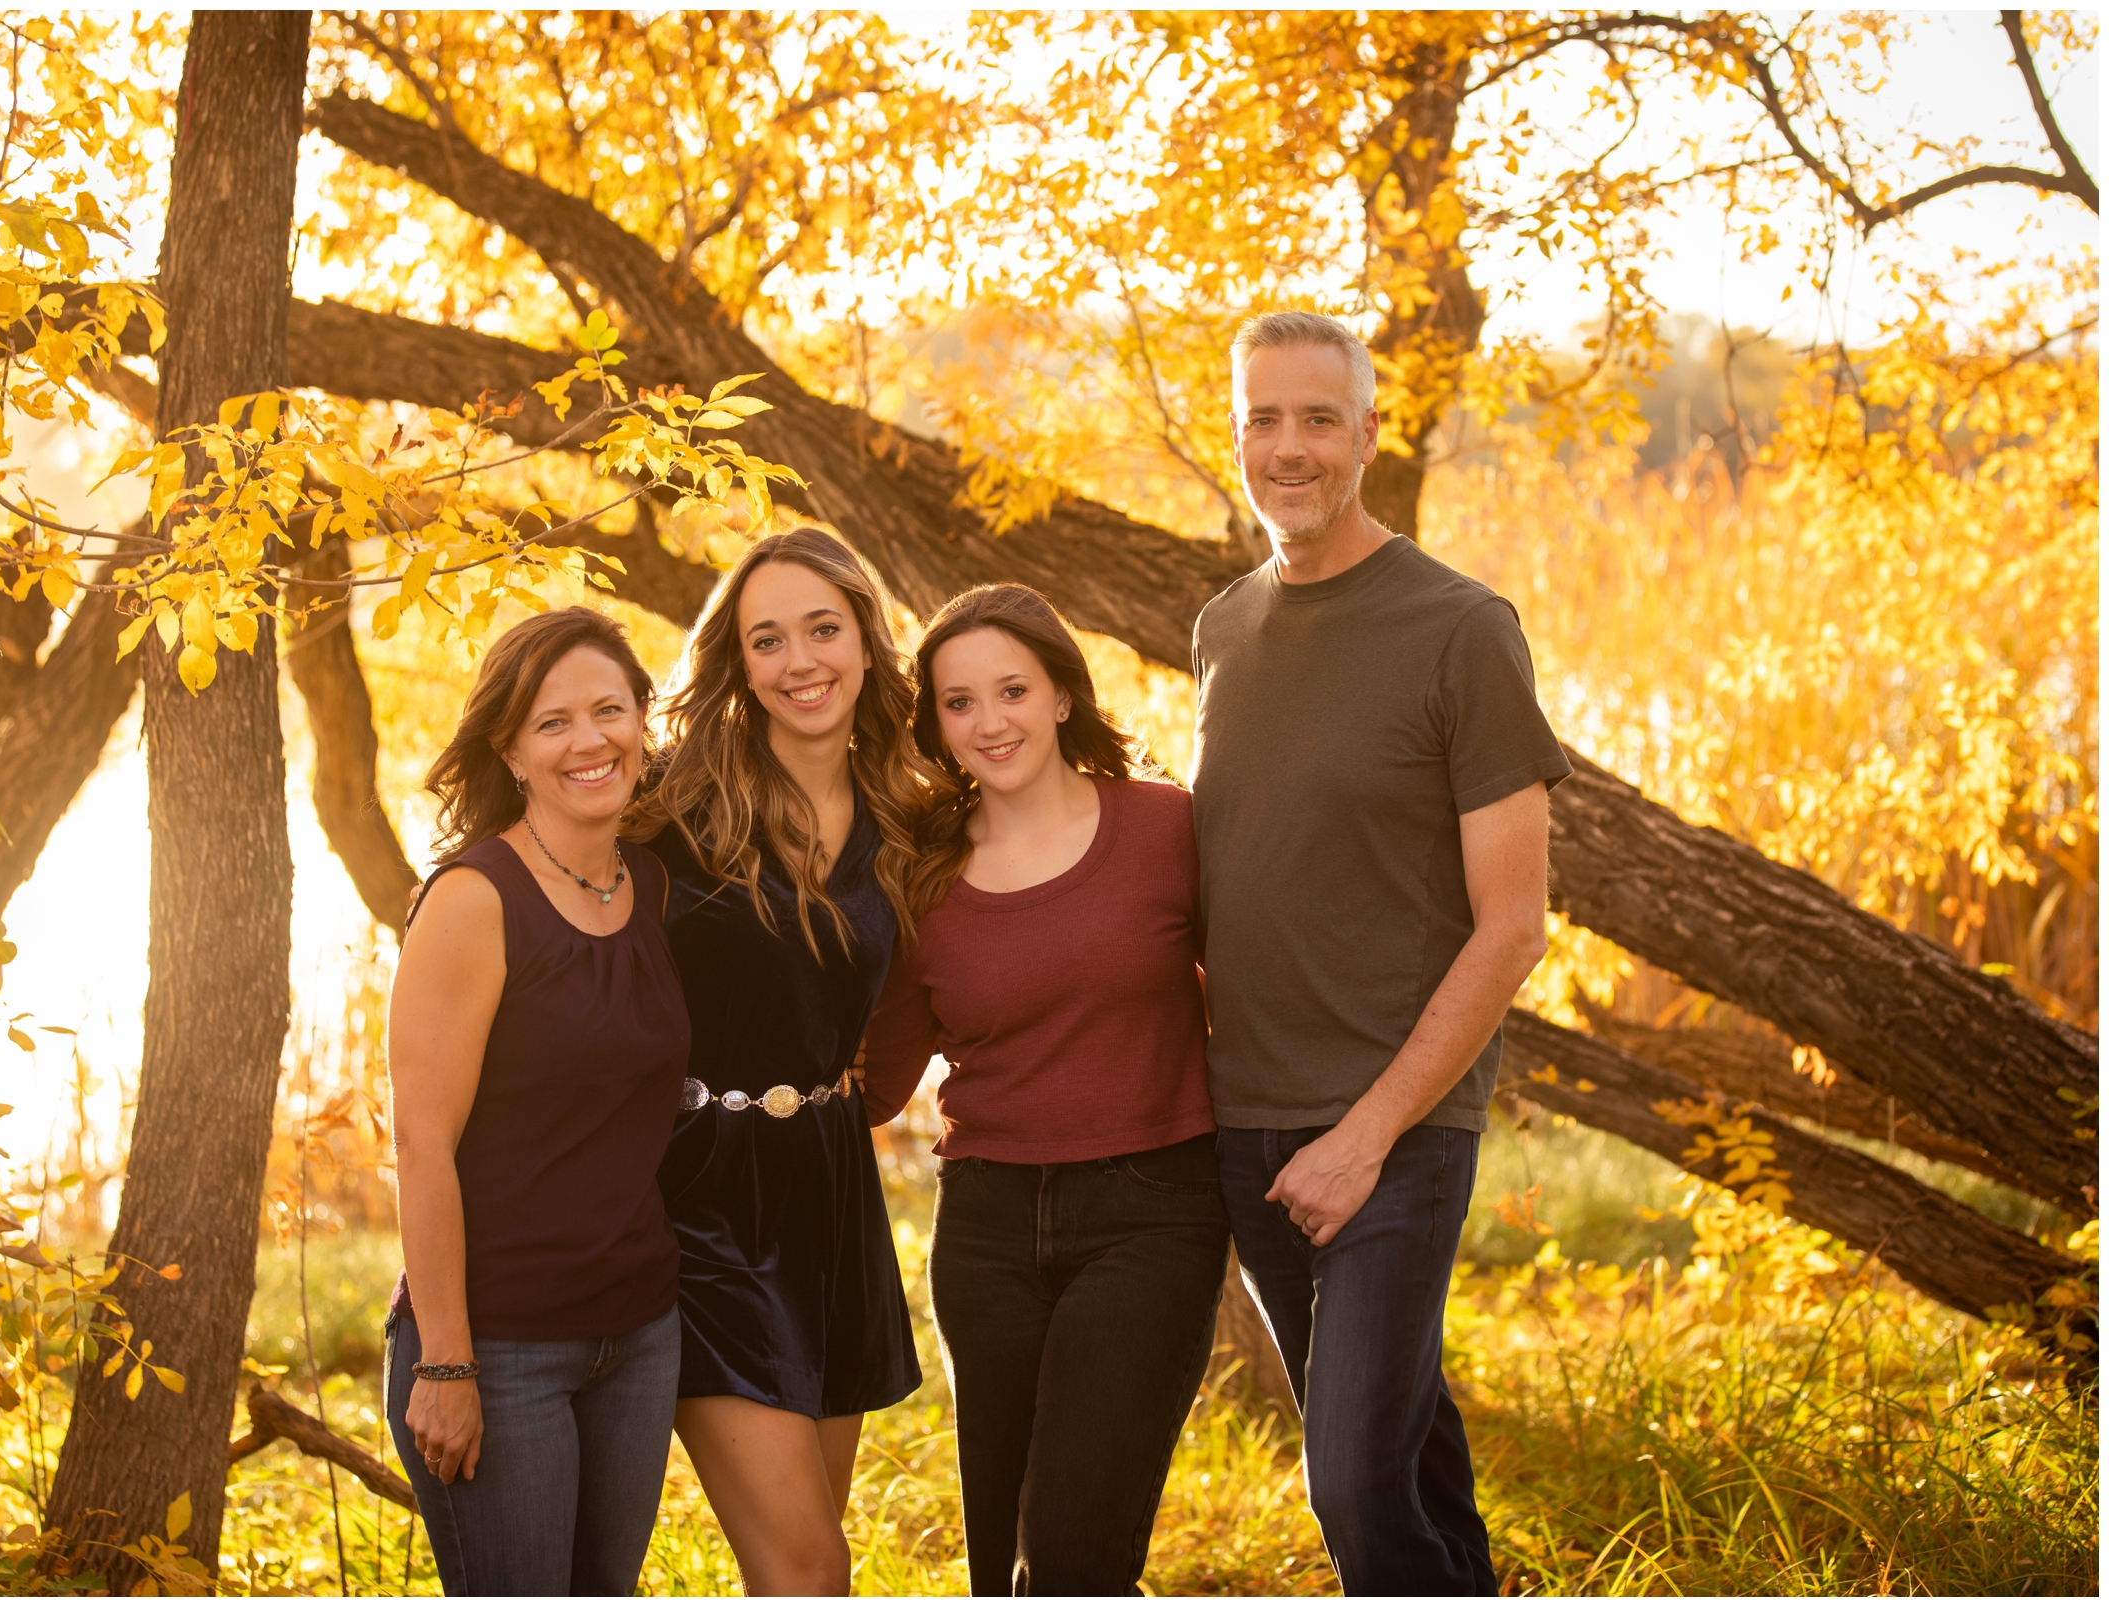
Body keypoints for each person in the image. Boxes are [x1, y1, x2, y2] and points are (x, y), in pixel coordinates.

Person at [1194, 311, 1569, 1595]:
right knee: (1400, 1444)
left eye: (1315, 418)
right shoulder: (1224, 630)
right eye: (1261, 416)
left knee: (1350, 1474)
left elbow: (1512, 925)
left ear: (1366, 432)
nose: (1286, 446)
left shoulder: (1462, 628)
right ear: (1234, 430)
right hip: (1245, 1122)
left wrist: (1366, 1135)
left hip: (1393, 1128)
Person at [861, 583, 1228, 1596]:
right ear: (934, 722)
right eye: (959, 701)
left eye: (1013, 689)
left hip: (1151, 1213)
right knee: (999, 1563)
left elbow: (1257, 994)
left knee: (1071, 1556)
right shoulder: (921, 876)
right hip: (986, 1227)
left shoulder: (1170, 829)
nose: (990, 722)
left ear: (1064, 693)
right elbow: (878, 1078)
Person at [627, 526, 926, 1595]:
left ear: (865, 639)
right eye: (768, 638)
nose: (800, 659)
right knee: (810, 1566)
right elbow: (538, 904)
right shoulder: (665, 804)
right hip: (697, 1200)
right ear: (738, 664)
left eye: (821, 628)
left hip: (833, 1191)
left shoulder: (909, 807)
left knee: (800, 1560)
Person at [384, 607, 691, 1596]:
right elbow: (422, 1145)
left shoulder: (651, 885)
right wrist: (445, 1362)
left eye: (610, 709)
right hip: (499, 1344)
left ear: (644, 722)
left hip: (640, 1332)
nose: (589, 739)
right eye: (552, 721)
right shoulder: (474, 899)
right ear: (510, 747)